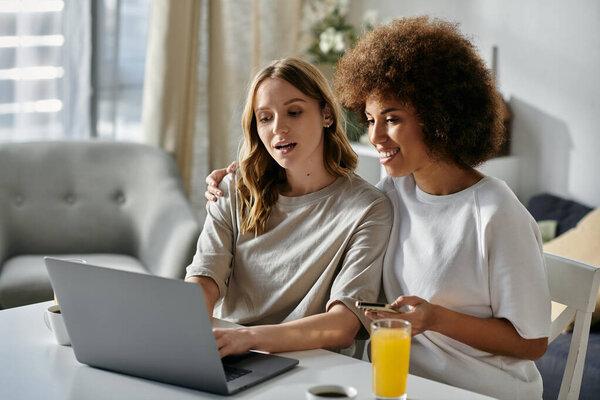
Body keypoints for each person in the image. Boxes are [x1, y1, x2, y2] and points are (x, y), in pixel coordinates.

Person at [206, 17, 551, 400]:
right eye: (370, 119)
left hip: (477, 391)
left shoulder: (496, 211)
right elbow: (321, 194)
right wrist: (241, 174)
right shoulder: (394, 191)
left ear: (438, 116)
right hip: (392, 383)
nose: (375, 136)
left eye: (392, 119)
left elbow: (534, 342)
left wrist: (434, 319)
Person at [186, 57, 392, 359]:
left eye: (293, 112)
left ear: (326, 115)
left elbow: (343, 324)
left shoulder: (367, 209)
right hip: (228, 354)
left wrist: (247, 338)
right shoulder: (232, 189)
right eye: (265, 118)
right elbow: (204, 279)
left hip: (310, 365)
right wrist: (185, 330)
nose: (278, 128)